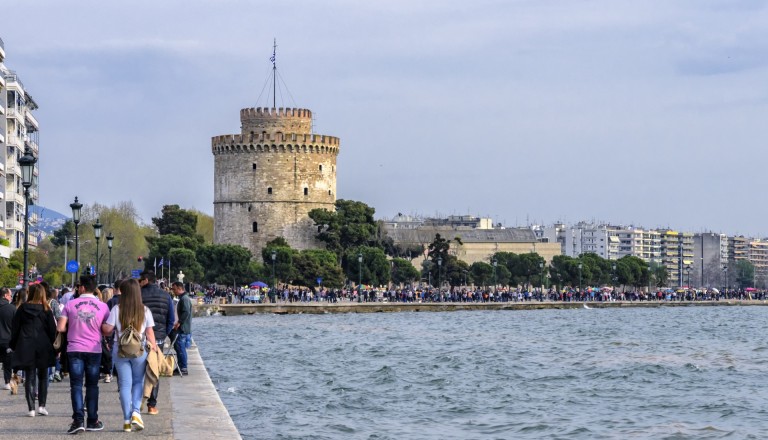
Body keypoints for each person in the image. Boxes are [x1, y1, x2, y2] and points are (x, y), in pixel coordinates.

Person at [101, 279, 159, 432]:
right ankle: (136, 413)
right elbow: (149, 333)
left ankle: (127, 421)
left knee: (125, 385)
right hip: (139, 350)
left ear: (124, 293)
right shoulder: (145, 310)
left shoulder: (116, 309)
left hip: (120, 350)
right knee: (138, 382)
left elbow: (108, 330)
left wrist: (101, 325)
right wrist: (154, 348)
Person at [57, 274, 110, 434]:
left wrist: (72, 327)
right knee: (92, 385)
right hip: (94, 349)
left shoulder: (70, 304)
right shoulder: (103, 306)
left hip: (75, 348)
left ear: (82, 288)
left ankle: (78, 420)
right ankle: (93, 420)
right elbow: (106, 330)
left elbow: (60, 327)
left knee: (76, 385)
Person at [9, 284, 56, 417]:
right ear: (42, 294)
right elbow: (52, 330)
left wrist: (13, 345)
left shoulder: (23, 308)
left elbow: (15, 328)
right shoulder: (46, 309)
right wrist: (55, 347)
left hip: (26, 344)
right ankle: (42, 405)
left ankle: (31, 408)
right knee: (43, 376)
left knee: (29, 376)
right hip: (43, 345)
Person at [139, 270, 174, 415]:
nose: (139, 282)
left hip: (139, 339)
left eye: (141, 279)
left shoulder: (139, 295)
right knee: (154, 370)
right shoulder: (166, 296)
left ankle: (137, 403)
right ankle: (152, 405)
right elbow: (171, 319)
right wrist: (162, 334)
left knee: (138, 372)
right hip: (157, 339)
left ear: (146, 280)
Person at [171, 282, 192, 375]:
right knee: (179, 347)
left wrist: (179, 322)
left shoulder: (184, 299)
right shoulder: (183, 298)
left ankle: (183, 368)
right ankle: (180, 366)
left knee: (180, 347)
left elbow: (186, 312)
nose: (173, 291)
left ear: (179, 288)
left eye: (174, 289)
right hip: (183, 326)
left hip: (183, 328)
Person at [0, 287, 17, 390]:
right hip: (7, 340)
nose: (11, 297)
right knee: (7, 364)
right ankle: (7, 382)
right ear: (5, 295)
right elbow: (16, 326)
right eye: (10, 295)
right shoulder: (12, 309)